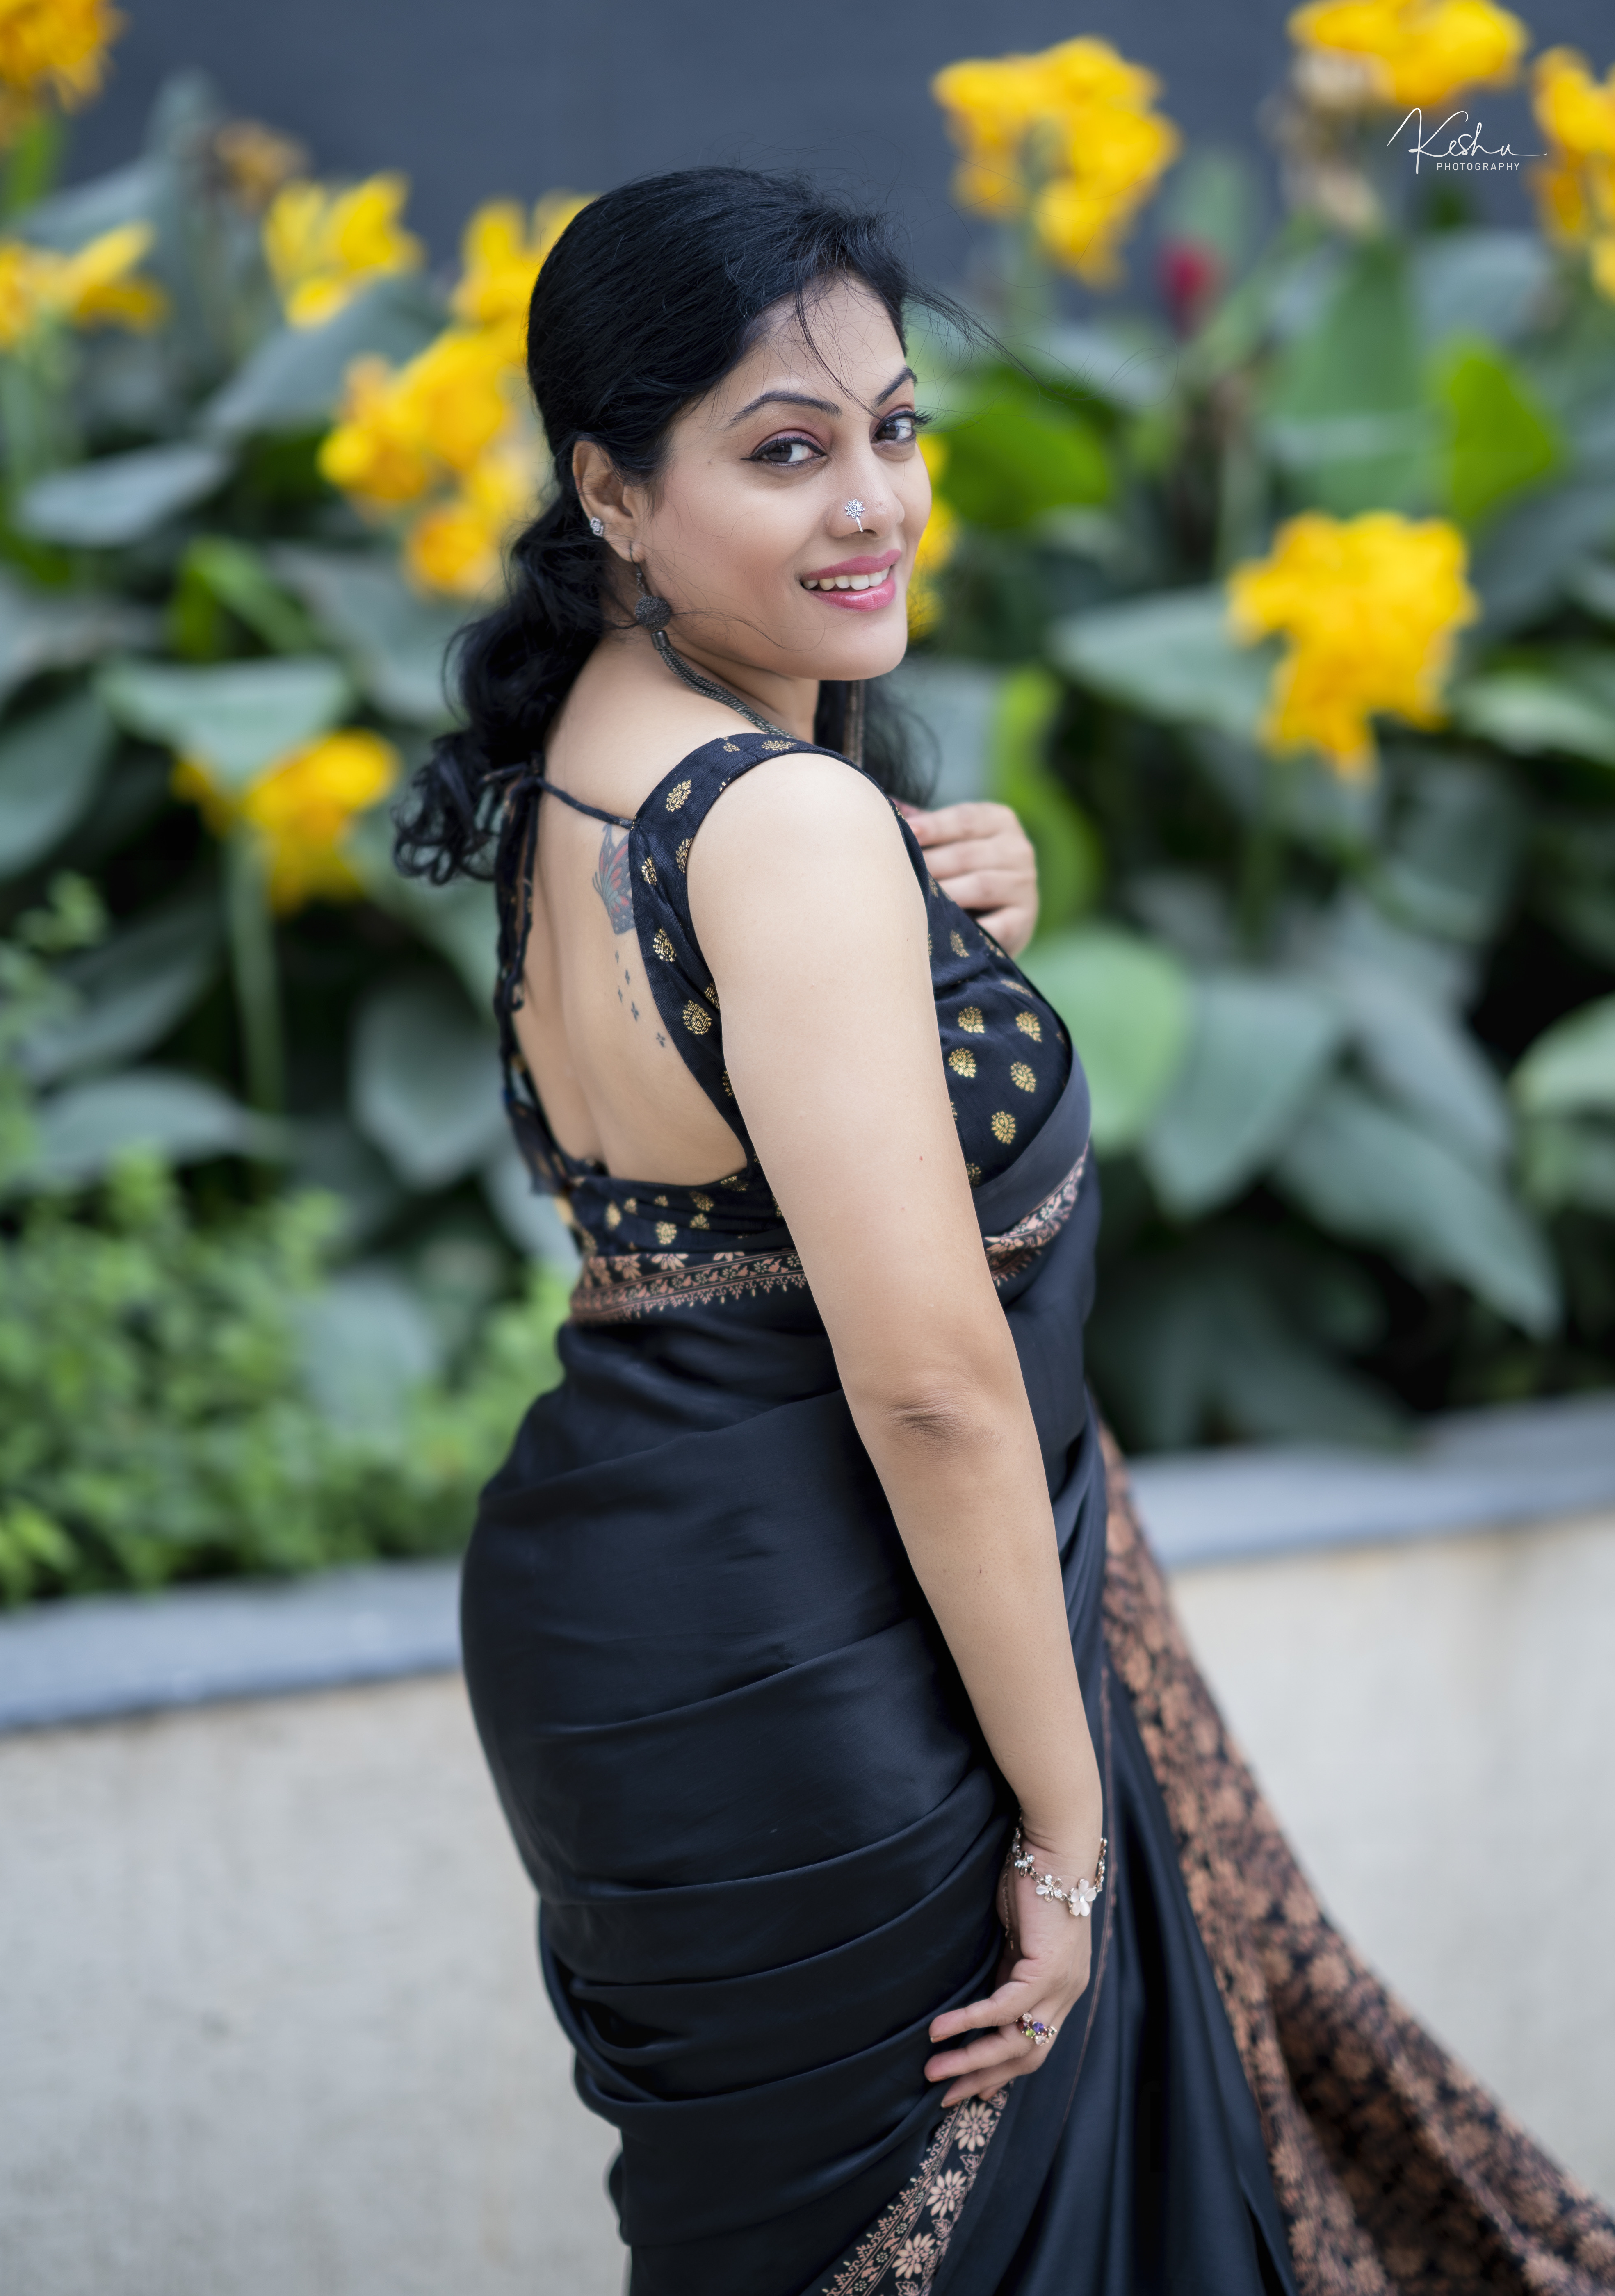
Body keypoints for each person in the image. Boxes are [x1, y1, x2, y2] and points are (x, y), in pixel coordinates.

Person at [395, 169, 1615, 2296]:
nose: (874, 500)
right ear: (611, 489)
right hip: (832, 1661)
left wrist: (948, 937)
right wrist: (1067, 1841)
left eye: (896, 430)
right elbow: (937, 1388)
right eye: (787, 450)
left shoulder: (600, 748)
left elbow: (703, 1141)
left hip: (635, 1631)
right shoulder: (778, 826)